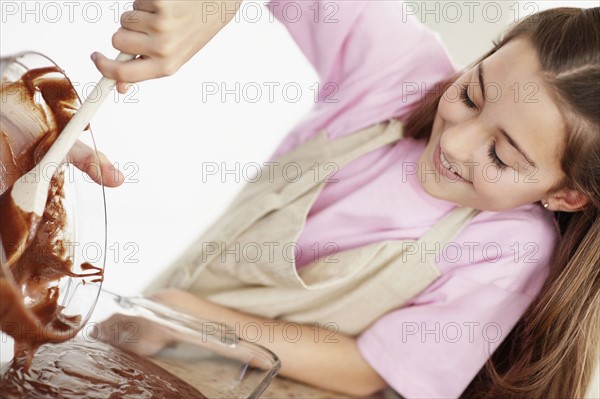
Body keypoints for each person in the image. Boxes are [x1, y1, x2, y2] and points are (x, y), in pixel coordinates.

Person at [88, 1, 599, 398]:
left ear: (567, 194)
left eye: (501, 156)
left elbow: (369, 368)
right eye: (470, 96)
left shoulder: (511, 250)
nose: (455, 142)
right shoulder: (399, 72)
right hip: (138, 341)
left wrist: (189, 320)